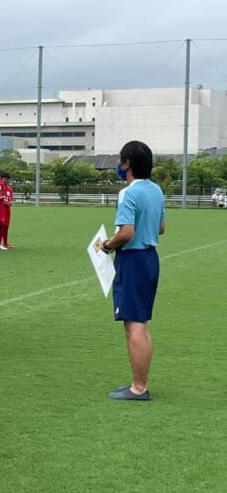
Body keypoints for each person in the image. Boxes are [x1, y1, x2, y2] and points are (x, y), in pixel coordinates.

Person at [100, 140, 165, 401]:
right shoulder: (157, 191)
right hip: (150, 258)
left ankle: (139, 387)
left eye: (120, 160)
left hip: (132, 260)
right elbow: (161, 228)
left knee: (134, 325)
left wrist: (106, 245)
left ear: (127, 163)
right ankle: (139, 381)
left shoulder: (128, 193)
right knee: (141, 323)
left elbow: (126, 232)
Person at [0, 172, 15, 249]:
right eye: (4, 178)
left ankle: (5, 243)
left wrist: (10, 202)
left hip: (7, 209)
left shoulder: (9, 188)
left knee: (6, 226)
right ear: (1, 179)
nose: (6, 180)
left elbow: (11, 199)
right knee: (0, 226)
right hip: (1, 208)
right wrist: (5, 202)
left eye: (7, 179)